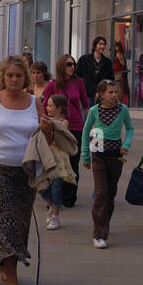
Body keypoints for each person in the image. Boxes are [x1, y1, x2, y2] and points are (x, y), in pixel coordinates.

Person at [0, 56, 52, 285]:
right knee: (8, 217)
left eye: (18, 76)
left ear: (26, 78)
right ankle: (12, 278)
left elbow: (46, 140)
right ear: (3, 77)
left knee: (20, 221)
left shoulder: (35, 102)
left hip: (26, 169)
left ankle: (3, 259)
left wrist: (48, 128)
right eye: (9, 75)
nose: (14, 79)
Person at [81, 79, 133, 248]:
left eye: (115, 92)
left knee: (110, 194)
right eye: (110, 92)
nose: (114, 95)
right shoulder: (94, 111)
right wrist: (86, 157)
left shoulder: (123, 110)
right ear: (101, 94)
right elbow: (85, 132)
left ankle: (104, 223)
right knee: (101, 193)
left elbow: (130, 128)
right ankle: (99, 234)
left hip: (115, 157)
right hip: (98, 156)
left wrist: (125, 145)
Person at [51, 54, 90, 206]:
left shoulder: (78, 82)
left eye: (73, 64)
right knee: (57, 161)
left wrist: (91, 124)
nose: (72, 67)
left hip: (76, 127)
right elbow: (45, 106)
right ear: (61, 66)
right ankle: (56, 195)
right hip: (58, 128)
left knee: (73, 162)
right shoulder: (53, 85)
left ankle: (69, 197)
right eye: (68, 64)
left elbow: (85, 104)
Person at [42, 92, 78, 229]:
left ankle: (56, 216)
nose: (47, 108)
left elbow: (58, 132)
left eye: (50, 106)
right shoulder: (46, 120)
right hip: (45, 158)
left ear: (59, 109)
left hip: (58, 161)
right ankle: (51, 207)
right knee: (43, 189)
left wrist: (47, 125)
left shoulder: (64, 122)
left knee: (56, 188)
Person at [77, 36, 114, 104]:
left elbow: (110, 80)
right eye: (100, 44)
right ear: (95, 46)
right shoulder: (84, 59)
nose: (102, 46)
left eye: (104, 44)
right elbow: (77, 76)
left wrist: (102, 92)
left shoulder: (108, 63)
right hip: (86, 96)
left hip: (101, 97)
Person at [113, 42, 130, 106]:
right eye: (115, 46)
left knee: (118, 88)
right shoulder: (117, 53)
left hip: (118, 73)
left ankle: (119, 103)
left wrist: (120, 58)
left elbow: (122, 63)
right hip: (116, 72)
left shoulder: (119, 53)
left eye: (117, 46)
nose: (116, 48)